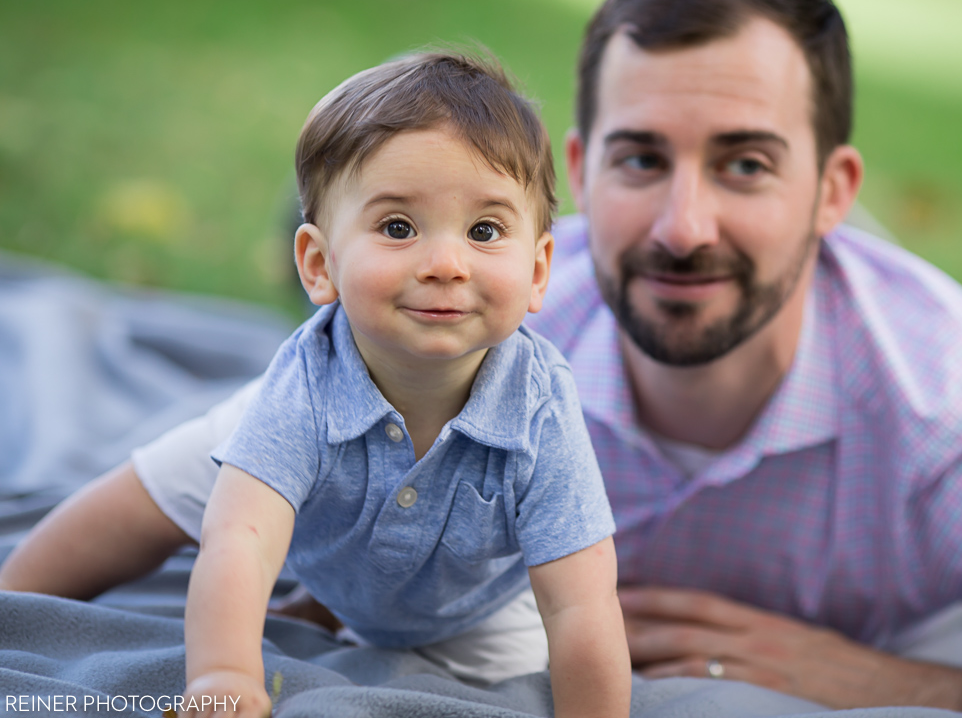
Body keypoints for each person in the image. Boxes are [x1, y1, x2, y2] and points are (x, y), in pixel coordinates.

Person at [3, 0, 962, 717]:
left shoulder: (960, 426)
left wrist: (912, 685)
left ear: (835, 189)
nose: (679, 226)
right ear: (579, 173)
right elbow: (244, 457)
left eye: (744, 161)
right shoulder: (492, 300)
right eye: (639, 157)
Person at [163, 52, 630, 717]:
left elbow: (581, 602)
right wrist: (224, 677)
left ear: (537, 271)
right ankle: (17, 594)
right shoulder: (305, 378)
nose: (445, 263)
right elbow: (240, 538)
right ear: (319, 265)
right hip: (311, 469)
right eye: (398, 227)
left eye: (485, 230)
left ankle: (329, 601)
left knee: (510, 666)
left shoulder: (541, 408)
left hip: (466, 609)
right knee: (141, 499)